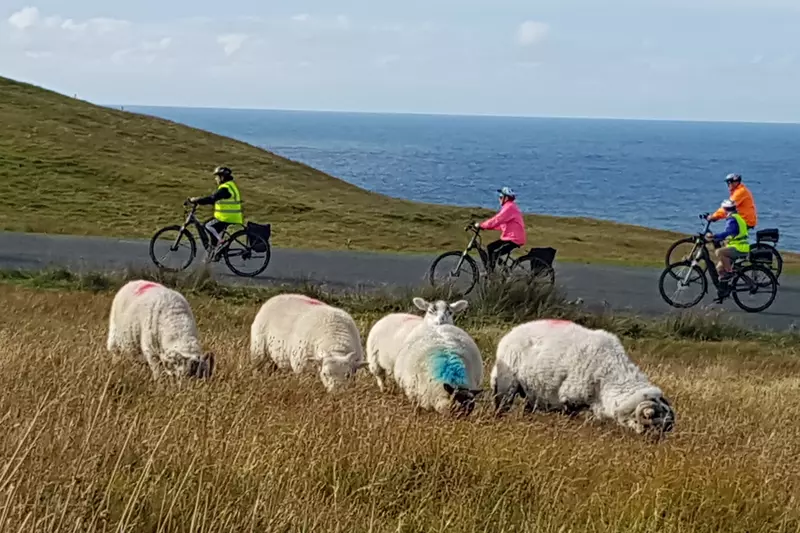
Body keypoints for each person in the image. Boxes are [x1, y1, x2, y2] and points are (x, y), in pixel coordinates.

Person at [187, 166, 244, 255]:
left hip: (227, 217)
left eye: (217, 177)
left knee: (208, 226)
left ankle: (221, 242)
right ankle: (213, 253)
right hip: (230, 216)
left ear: (222, 177)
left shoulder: (225, 188)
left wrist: (197, 200)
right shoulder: (230, 186)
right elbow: (218, 200)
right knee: (212, 229)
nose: (215, 179)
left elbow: (212, 198)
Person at [706, 199, 750, 301]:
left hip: (740, 248)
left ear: (726, 209)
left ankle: (730, 272)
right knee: (720, 269)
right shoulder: (736, 217)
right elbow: (731, 234)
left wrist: (715, 236)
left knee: (719, 252)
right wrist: (718, 238)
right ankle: (723, 293)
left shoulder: (732, 219)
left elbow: (729, 232)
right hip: (737, 246)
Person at [474, 187, 527, 271]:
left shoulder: (509, 207)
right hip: (510, 237)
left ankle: (492, 275)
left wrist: (482, 225)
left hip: (513, 239)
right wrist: (486, 227)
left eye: (501, 197)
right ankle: (494, 272)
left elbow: (497, 219)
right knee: (490, 248)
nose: (499, 199)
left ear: (506, 198)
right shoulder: (509, 207)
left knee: (494, 253)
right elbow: (501, 224)